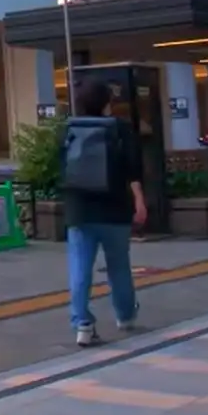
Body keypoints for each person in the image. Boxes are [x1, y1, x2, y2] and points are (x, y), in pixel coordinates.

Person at [59, 79, 145, 347]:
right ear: (108, 102)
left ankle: (82, 324)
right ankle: (125, 316)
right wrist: (140, 202)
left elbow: (60, 169)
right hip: (115, 209)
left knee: (80, 268)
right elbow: (133, 170)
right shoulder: (120, 129)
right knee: (118, 265)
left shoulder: (69, 130)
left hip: (80, 209)